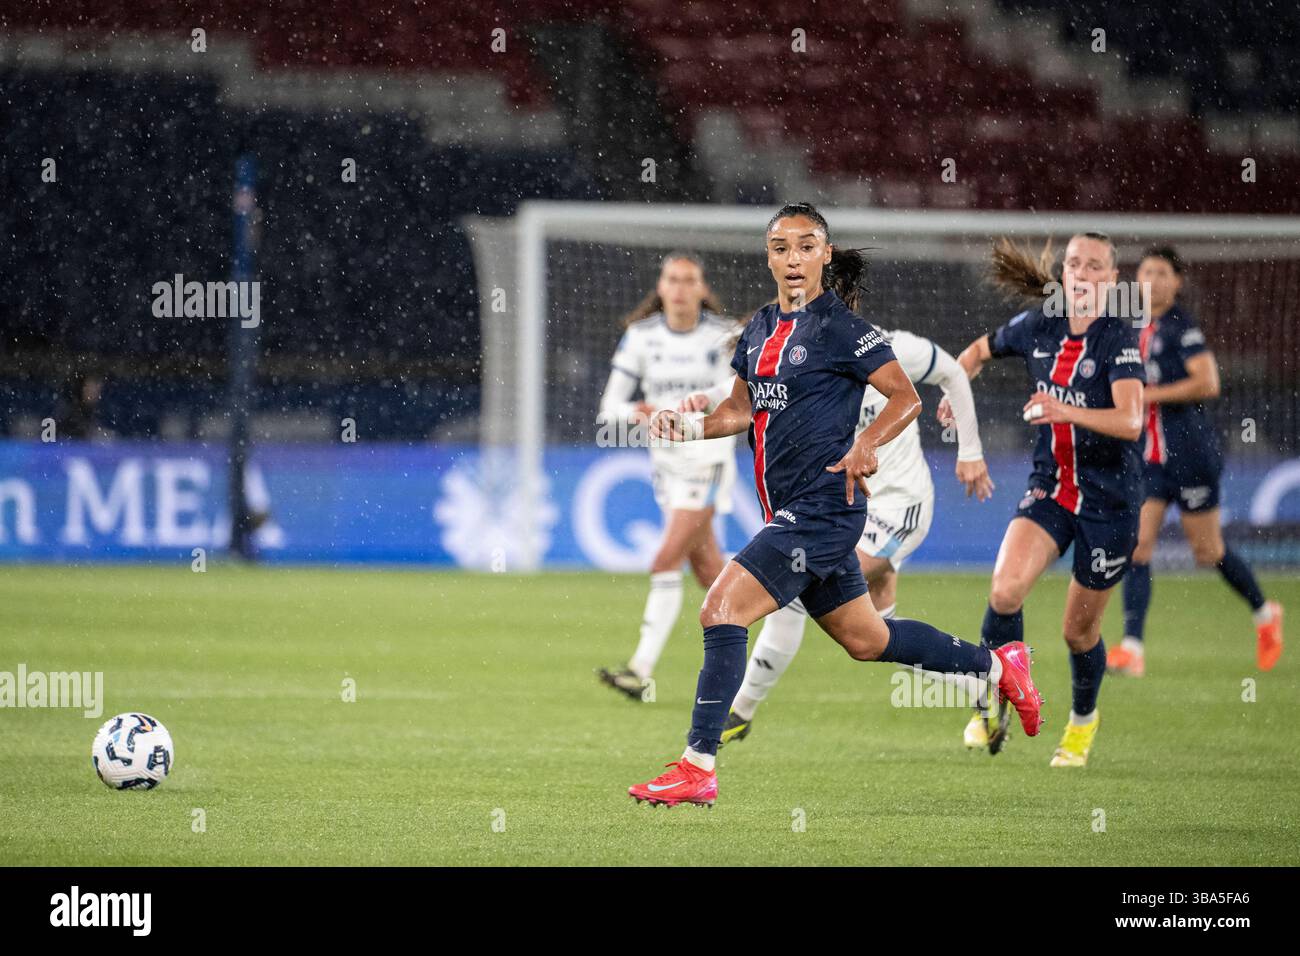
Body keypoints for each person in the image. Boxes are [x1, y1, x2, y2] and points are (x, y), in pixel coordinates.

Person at [627, 203, 1041, 807]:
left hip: (823, 511)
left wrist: (865, 445)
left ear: (825, 253)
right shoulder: (760, 330)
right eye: (779, 247)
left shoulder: (844, 329)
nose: (791, 258)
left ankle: (698, 765)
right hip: (793, 511)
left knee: (721, 611)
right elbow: (741, 411)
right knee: (868, 639)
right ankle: (1001, 666)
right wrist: (684, 428)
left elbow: (906, 399)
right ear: (768, 256)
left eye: (805, 246)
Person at [677, 327, 993, 745]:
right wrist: (707, 396)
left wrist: (969, 451)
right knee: (875, 634)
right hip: (840, 505)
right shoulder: (805, 350)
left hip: (898, 505)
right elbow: (762, 384)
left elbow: (951, 371)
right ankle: (985, 682)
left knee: (795, 586)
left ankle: (740, 711)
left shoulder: (888, 346)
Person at [948, 233, 1145, 767]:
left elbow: (1130, 420)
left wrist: (1065, 410)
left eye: (1094, 266)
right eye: (1074, 263)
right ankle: (995, 704)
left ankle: (1082, 721)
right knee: (1005, 590)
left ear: (1110, 280)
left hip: (1111, 505)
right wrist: (957, 400)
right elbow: (974, 354)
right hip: (1053, 487)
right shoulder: (1039, 326)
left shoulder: (1117, 340)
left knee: (1078, 632)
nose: (1081, 272)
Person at [1111, 246, 1283, 676]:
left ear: (1177, 282)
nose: (1152, 279)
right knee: (1138, 546)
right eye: (1146, 271)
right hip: (1150, 459)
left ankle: (1265, 613)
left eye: (1162, 272)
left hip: (1191, 457)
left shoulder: (1180, 326)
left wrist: (1149, 395)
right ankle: (1132, 647)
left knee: (1208, 552)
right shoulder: (1132, 327)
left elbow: (1208, 382)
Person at [595, 252, 740, 698]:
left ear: (702, 288)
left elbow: (734, 401)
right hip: (666, 464)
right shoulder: (640, 338)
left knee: (664, 560)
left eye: (688, 280)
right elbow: (608, 411)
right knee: (710, 573)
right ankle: (772, 628)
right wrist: (635, 412)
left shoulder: (724, 337)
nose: (679, 288)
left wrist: (684, 412)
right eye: (671, 280)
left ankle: (640, 670)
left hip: (708, 458)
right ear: (660, 288)